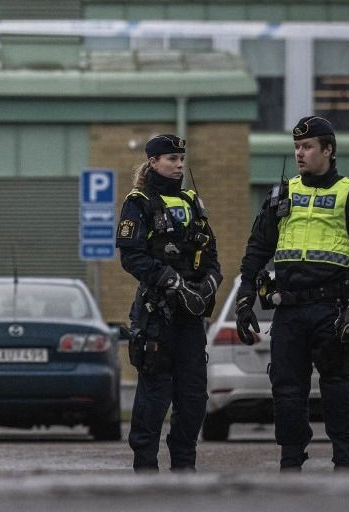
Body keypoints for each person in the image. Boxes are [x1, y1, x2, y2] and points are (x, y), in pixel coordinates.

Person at [235, 115, 349, 472]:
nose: (300, 154)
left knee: (335, 386)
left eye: (308, 147)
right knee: (286, 390)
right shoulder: (283, 193)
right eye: (297, 147)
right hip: (288, 309)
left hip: (331, 307)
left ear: (328, 150)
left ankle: (345, 464)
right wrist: (245, 294)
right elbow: (258, 246)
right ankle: (290, 464)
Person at [116, 134, 222, 473]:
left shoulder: (192, 201)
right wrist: (172, 282)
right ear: (153, 162)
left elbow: (211, 256)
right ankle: (146, 471)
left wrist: (209, 284)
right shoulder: (139, 202)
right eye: (171, 159)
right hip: (156, 316)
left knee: (193, 397)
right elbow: (131, 257)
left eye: (181, 159)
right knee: (154, 397)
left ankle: (184, 471)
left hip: (190, 318)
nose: (178, 165)